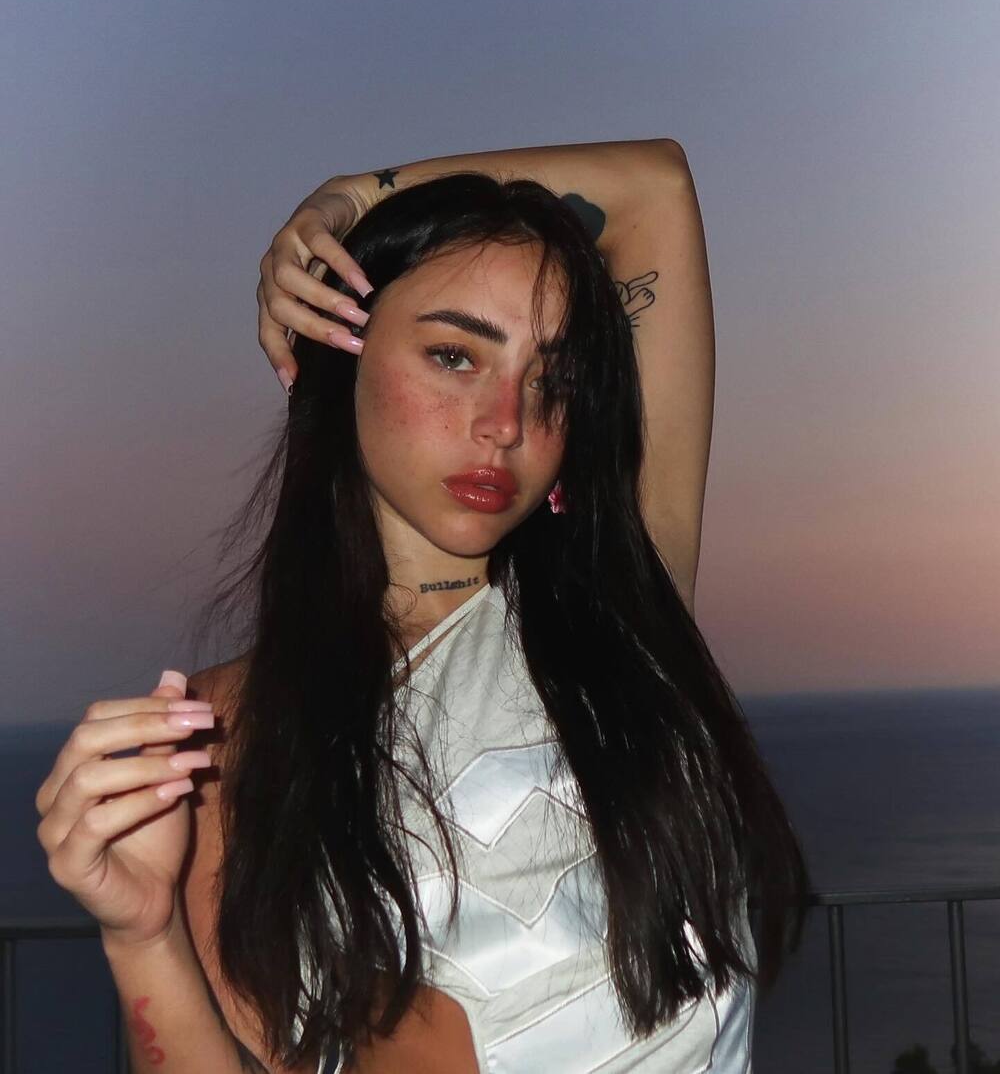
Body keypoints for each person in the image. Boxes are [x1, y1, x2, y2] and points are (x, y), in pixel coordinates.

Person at [36, 139, 809, 1074]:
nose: (506, 422)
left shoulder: (628, 613)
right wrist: (142, 935)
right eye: (454, 355)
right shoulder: (231, 729)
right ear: (341, 356)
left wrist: (351, 196)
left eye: (552, 378)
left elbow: (655, 187)